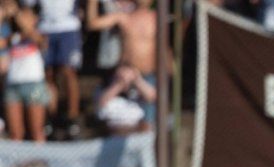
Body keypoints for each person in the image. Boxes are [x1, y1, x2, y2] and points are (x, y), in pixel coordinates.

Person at [85, 0, 158, 124]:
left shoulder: (157, 19)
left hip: (149, 75)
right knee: (121, 120)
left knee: (149, 123)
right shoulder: (124, 18)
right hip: (126, 75)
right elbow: (92, 24)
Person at [25, 0, 82, 137]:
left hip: (68, 29)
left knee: (69, 72)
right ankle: (51, 117)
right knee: (48, 74)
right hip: (45, 29)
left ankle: (72, 118)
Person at [2, 0, 49, 142]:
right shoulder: (8, 34)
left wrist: (17, 14)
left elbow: (38, 39)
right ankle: (17, 164)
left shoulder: (38, 33)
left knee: (36, 132)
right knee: (15, 134)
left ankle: (41, 163)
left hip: (34, 85)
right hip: (12, 86)